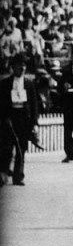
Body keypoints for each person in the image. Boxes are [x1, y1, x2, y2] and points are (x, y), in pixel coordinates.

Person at [1, 54, 42, 186]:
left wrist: (35, 123)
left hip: (24, 119)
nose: (22, 68)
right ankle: (3, 173)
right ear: (13, 67)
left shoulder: (29, 84)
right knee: (6, 147)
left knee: (21, 148)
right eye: (20, 65)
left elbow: (34, 105)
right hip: (10, 117)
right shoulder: (5, 84)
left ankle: (18, 176)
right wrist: (4, 117)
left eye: (24, 65)